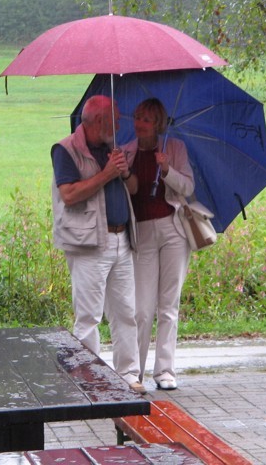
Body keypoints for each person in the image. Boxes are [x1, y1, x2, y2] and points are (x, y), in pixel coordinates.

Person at [51, 95, 145, 394]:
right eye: (114, 121)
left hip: (122, 239)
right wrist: (106, 174)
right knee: (89, 316)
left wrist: (125, 171)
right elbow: (69, 195)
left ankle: (128, 374)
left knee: (126, 312)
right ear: (96, 121)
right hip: (89, 243)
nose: (119, 126)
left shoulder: (112, 149)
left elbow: (133, 189)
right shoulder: (65, 150)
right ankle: (87, 378)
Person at [122, 98, 194, 390]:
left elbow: (188, 188)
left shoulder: (174, 148)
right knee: (141, 308)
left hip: (173, 229)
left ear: (159, 124)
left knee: (168, 304)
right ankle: (134, 371)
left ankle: (165, 371)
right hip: (141, 232)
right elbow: (125, 191)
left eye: (147, 119)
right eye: (137, 117)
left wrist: (167, 171)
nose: (140, 124)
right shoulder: (125, 151)